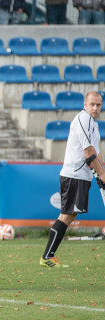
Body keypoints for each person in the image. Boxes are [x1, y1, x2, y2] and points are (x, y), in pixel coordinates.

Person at [40, 91, 105, 268]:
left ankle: (48, 255)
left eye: (98, 105)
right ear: (85, 104)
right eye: (92, 104)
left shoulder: (94, 124)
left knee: (71, 214)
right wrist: (102, 174)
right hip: (73, 174)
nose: (95, 108)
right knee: (67, 214)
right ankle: (47, 256)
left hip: (82, 176)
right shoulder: (83, 119)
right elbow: (88, 152)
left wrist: (101, 173)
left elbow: (96, 152)